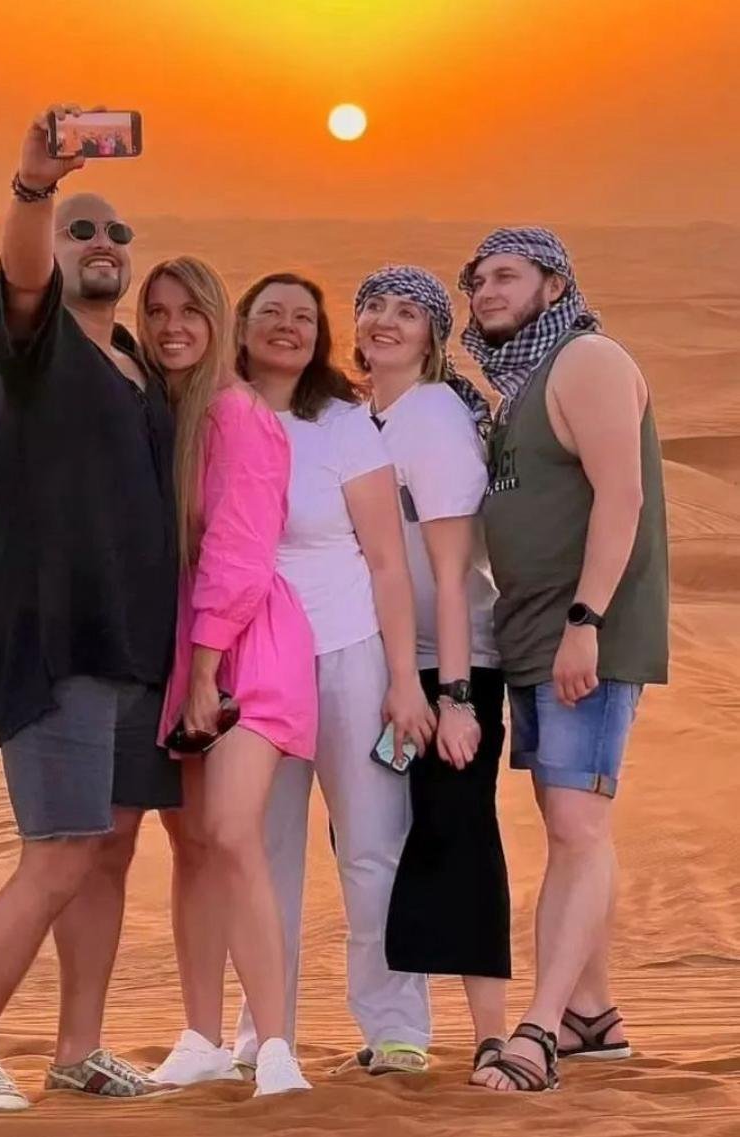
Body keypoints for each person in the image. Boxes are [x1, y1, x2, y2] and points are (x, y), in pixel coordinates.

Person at [0, 106, 180, 1111]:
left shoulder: (139, 372)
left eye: (118, 231)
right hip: (56, 646)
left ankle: (80, 1048)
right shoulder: (37, 350)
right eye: (83, 230)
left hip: (136, 653)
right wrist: (36, 188)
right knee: (57, 853)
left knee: (108, 855)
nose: (102, 242)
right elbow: (24, 275)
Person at [459, 227, 669, 1093]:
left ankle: (539, 1030)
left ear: (553, 285)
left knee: (579, 827)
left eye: (506, 275)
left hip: (584, 633)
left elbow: (622, 493)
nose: (485, 290)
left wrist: (586, 619)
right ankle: (591, 1013)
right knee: (567, 824)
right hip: (533, 635)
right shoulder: (518, 389)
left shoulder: (586, 360)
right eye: (476, 279)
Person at [227, 273, 437, 1077]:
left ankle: (396, 1028)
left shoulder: (344, 425)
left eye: (302, 316)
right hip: (253, 664)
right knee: (260, 850)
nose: (286, 326)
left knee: (373, 845)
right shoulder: (216, 416)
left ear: (318, 336)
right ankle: (263, 1031)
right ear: (241, 326)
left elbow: (386, 560)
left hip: (349, 650)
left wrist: (402, 677)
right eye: (269, 312)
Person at [136, 258, 316, 1096]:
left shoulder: (234, 413)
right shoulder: (174, 414)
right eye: (156, 311)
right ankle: (201, 1035)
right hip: (191, 648)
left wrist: (205, 671)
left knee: (234, 832)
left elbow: (241, 550)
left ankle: (274, 1044)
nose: (171, 326)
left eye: (190, 311)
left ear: (217, 324)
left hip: (248, 647)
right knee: (193, 847)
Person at [351, 265, 511, 1071]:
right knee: (379, 843)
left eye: (408, 312)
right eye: (373, 306)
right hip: (381, 667)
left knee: (458, 836)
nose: (385, 320)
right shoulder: (357, 419)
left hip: (451, 665)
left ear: (432, 338)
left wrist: (454, 699)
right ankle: (394, 1032)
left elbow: (450, 574)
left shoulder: (434, 415)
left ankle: (492, 1037)